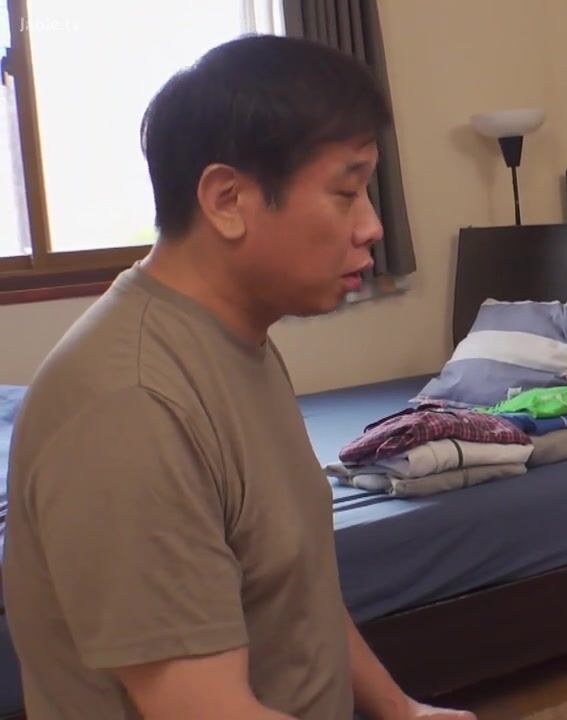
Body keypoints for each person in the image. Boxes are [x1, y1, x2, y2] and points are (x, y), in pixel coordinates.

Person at [2, 35, 475, 720]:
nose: (373, 225)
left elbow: (293, 588)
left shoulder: (238, 340)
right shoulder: (133, 404)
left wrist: (401, 710)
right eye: (346, 191)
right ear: (227, 199)